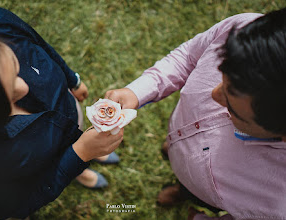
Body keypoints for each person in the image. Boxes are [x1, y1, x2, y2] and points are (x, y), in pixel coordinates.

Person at [105, 8, 286, 220]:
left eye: (233, 108)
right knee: (174, 152)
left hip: (202, 191)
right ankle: (174, 159)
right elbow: (188, 56)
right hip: (179, 133)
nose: (213, 94)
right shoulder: (242, 31)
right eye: (222, 75)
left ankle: (183, 192)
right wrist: (136, 91)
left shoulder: (277, 202)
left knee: (192, 192)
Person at [0, 6, 123, 219]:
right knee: (72, 157)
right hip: (45, 161)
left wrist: (72, 79)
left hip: (70, 110)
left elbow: (38, 42)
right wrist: (80, 154)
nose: (24, 88)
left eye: (15, 67)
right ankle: (80, 173)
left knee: (81, 132)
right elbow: (18, 206)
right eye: (7, 96)